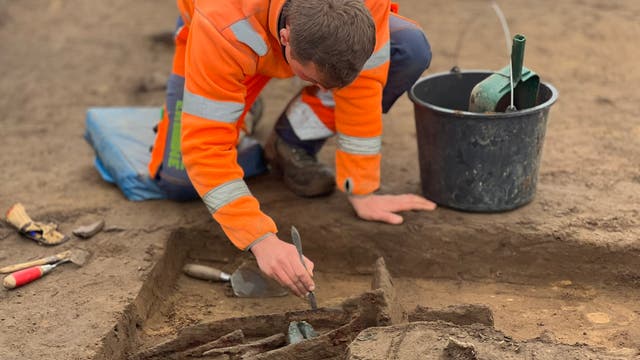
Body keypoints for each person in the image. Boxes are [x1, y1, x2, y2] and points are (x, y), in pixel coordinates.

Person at [148, 0, 437, 299]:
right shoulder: (223, 26)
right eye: (313, 79)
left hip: (271, 35)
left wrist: (361, 187)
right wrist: (260, 238)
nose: (326, 92)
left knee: (408, 47)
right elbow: (205, 146)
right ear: (285, 38)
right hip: (226, 41)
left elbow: (363, 85)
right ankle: (234, 102)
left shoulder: (366, 4)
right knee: (180, 181)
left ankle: (292, 139)